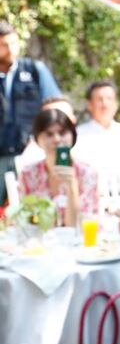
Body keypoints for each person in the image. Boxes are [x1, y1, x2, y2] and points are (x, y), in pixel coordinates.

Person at [0, 20, 61, 206]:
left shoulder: (35, 70)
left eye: (13, 43)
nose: (10, 49)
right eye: (3, 45)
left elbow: (55, 108)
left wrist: (43, 141)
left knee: (32, 211)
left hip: (29, 156)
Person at [18, 109, 98, 227]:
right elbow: (28, 221)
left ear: (72, 135)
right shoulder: (29, 174)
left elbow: (78, 225)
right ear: (37, 139)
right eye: (49, 134)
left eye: (62, 133)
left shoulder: (87, 173)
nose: (56, 139)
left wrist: (72, 187)